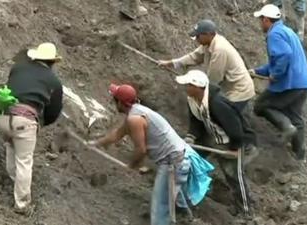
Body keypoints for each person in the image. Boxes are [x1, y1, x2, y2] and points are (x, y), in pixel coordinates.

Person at [88, 83, 214, 225]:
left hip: (173, 162)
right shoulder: (138, 112)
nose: (113, 102)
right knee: (174, 193)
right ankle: (188, 218)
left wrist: (132, 165)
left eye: (114, 99)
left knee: (160, 206)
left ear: (120, 102)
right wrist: (96, 143)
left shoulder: (135, 119)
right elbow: (117, 134)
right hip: (181, 157)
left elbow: (141, 150)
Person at [158, 19, 257, 156]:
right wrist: (172, 63)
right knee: (219, 111)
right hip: (230, 87)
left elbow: (213, 80)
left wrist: (197, 87)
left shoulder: (220, 50)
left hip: (239, 89)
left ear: (208, 34)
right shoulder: (208, 43)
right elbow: (194, 57)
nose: (196, 39)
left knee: (227, 116)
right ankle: (206, 139)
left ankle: (244, 146)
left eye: (198, 36)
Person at [0, 42, 63, 215]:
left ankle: (15, 182)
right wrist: (40, 123)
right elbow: (54, 111)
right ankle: (22, 204)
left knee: (11, 148)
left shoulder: (18, 68)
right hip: (25, 121)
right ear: (52, 62)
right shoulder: (54, 81)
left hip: (3, 117)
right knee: (24, 161)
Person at [176, 70, 253, 216]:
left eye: (188, 85)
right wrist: (191, 136)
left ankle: (245, 211)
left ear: (198, 87)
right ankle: (191, 194)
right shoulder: (192, 100)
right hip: (214, 137)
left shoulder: (217, 103)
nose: (185, 87)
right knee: (192, 159)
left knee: (234, 176)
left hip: (232, 140)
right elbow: (196, 121)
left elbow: (236, 128)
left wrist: (235, 148)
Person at [251, 4, 307, 162]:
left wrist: (276, 75)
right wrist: (257, 72)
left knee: (261, 105)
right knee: (296, 116)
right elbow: (278, 60)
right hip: (302, 82)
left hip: (290, 83)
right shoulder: (287, 31)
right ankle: (300, 155)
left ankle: (286, 127)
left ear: (266, 20)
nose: (260, 24)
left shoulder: (274, 34)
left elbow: (284, 55)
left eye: (261, 20)